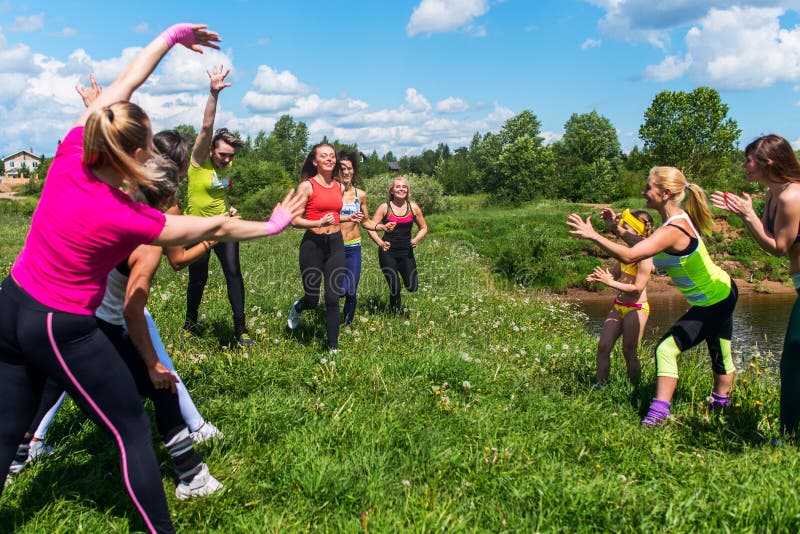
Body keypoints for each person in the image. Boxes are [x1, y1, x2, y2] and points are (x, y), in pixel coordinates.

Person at [0, 24, 303, 534]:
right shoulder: (127, 217)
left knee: (5, 429)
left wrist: (170, 37)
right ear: (135, 154)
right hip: (59, 325)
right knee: (131, 433)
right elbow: (219, 224)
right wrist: (273, 226)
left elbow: (125, 85)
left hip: (9, 303)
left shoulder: (72, 153)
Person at [567, 166, 738, 427]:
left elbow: (630, 256)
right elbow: (643, 247)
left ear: (666, 193)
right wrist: (615, 229)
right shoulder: (673, 222)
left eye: (648, 187)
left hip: (715, 299)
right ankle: (720, 407)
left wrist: (593, 235)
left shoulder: (673, 229)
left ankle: (658, 415)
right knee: (720, 353)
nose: (643, 191)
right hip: (721, 291)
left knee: (666, 349)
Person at [710, 134, 800, 434]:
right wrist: (747, 215)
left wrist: (748, 216)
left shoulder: (791, 196)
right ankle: (790, 434)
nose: (744, 165)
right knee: (793, 362)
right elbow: (768, 244)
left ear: (768, 162)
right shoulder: (774, 195)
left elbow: (779, 247)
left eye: (748, 159)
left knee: (792, 361)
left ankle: (788, 435)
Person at [183, 65, 254, 347]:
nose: (227, 160)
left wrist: (230, 207)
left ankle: (240, 329)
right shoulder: (199, 160)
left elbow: (218, 191)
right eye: (223, 155)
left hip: (224, 226)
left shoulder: (228, 164)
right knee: (197, 279)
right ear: (211, 149)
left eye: (231, 156)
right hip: (197, 228)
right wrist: (213, 93)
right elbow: (206, 127)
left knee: (234, 274)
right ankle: (190, 323)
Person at [287, 144, 347, 352]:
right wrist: (318, 223)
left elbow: (336, 214)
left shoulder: (340, 186)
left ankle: (333, 348)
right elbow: (294, 219)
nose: (330, 159)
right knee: (313, 298)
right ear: (315, 162)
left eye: (332, 156)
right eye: (324, 156)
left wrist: (350, 218)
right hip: (313, 245)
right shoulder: (307, 186)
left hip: (336, 244)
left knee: (333, 297)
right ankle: (299, 306)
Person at [587, 209, 655, 387]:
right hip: (618, 306)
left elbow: (637, 288)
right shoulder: (627, 253)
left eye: (626, 227)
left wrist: (609, 283)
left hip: (636, 308)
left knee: (629, 352)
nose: (621, 230)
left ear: (637, 231)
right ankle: (600, 385)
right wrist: (601, 276)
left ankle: (635, 389)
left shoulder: (645, 257)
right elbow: (615, 272)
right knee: (603, 347)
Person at [337, 150, 395, 325]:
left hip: (354, 247)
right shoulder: (331, 193)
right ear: (336, 171)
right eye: (342, 168)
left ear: (354, 170)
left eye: (349, 168)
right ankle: (330, 314)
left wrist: (381, 227)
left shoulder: (360, 195)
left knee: (351, 291)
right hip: (335, 246)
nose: (346, 172)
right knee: (339, 290)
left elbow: (366, 221)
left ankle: (347, 325)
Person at [368, 177, 428, 313]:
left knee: (412, 287)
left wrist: (416, 239)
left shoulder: (413, 208)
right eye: (398, 187)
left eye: (404, 187)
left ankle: (396, 307)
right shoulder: (385, 207)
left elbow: (424, 227)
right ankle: (395, 313)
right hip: (388, 252)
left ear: (407, 190)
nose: (401, 189)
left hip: (406, 253)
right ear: (392, 191)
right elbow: (370, 227)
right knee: (395, 287)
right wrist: (381, 243)